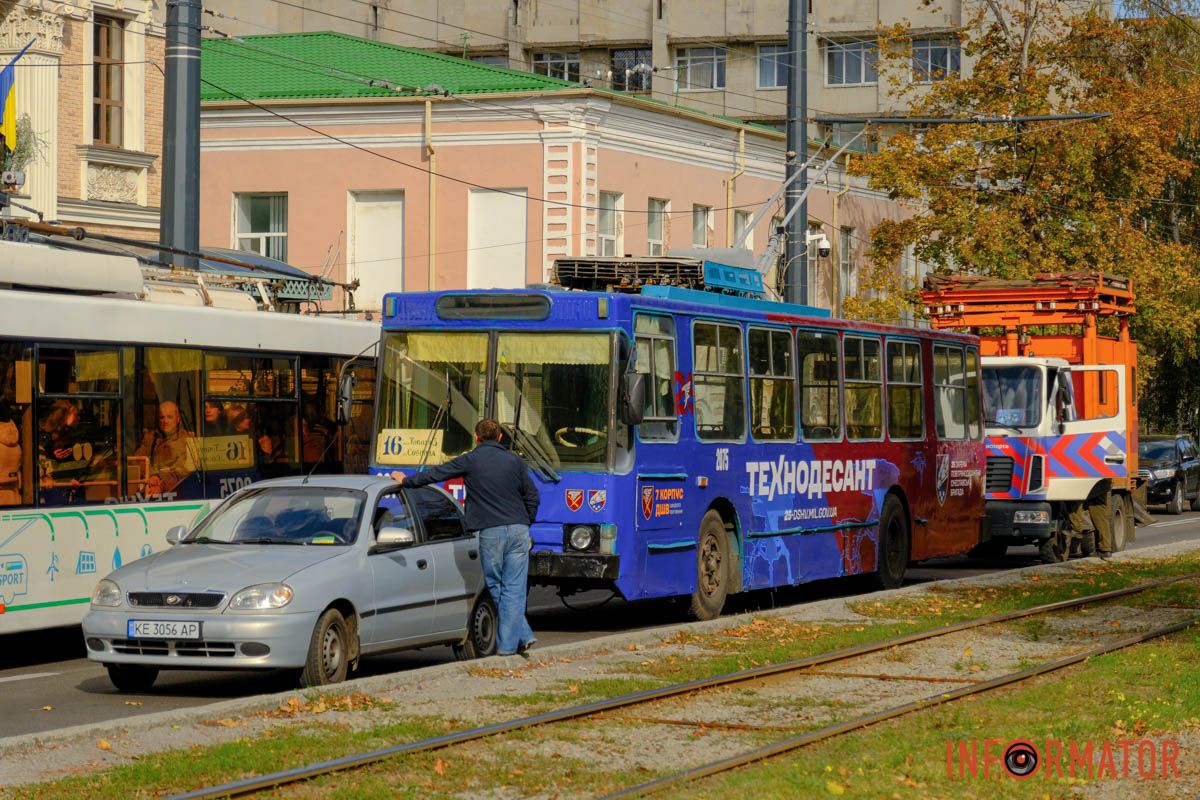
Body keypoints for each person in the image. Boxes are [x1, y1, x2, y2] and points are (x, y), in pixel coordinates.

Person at [392, 418, 540, 656]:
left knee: (497, 586)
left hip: (491, 532)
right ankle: (522, 635)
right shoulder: (515, 461)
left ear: (475, 437)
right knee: (514, 588)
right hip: (519, 531)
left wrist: (406, 481)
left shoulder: (471, 460)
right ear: (500, 437)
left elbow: (437, 474)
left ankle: (508, 648)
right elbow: (532, 496)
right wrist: (525, 521)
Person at [133, 401, 197, 496]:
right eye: (162, 417)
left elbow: (182, 471)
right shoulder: (151, 437)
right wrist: (151, 475)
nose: (165, 421)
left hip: (176, 494)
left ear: (178, 419)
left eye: (169, 417)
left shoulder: (186, 441)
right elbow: (136, 460)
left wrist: (162, 485)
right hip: (149, 488)